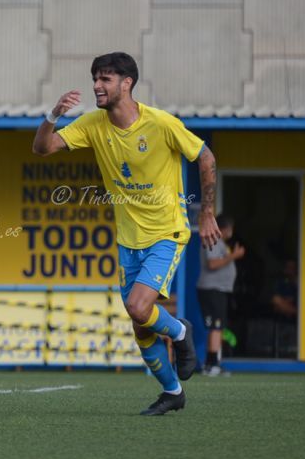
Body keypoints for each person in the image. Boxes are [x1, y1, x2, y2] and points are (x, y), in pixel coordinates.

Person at [32, 52, 221, 416]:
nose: (96, 86)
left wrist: (208, 213)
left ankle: (181, 332)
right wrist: (53, 115)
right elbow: (43, 148)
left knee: (138, 307)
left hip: (166, 231)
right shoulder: (92, 124)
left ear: (126, 83)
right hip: (127, 239)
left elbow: (206, 157)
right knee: (140, 325)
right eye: (95, 79)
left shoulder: (161, 123)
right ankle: (172, 392)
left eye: (105, 79)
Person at [197, 214, 244, 375]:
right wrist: (233, 256)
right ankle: (213, 365)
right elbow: (212, 263)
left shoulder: (219, 242)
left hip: (218, 290)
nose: (231, 231)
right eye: (230, 228)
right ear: (224, 228)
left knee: (216, 327)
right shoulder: (213, 239)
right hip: (212, 289)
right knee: (216, 327)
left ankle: (210, 364)